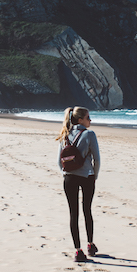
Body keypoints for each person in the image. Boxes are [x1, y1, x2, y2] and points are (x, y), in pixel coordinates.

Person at [57, 106, 101, 262]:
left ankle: (78, 251)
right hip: (87, 177)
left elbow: (59, 162)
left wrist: (66, 174)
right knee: (87, 210)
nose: (90, 120)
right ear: (80, 119)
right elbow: (97, 159)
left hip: (69, 178)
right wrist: (94, 175)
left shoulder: (65, 134)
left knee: (73, 214)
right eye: (88, 117)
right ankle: (90, 244)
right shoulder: (89, 134)